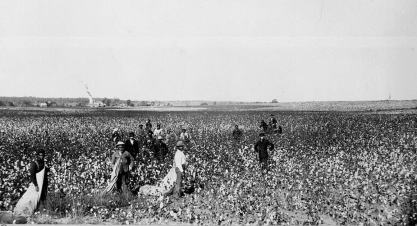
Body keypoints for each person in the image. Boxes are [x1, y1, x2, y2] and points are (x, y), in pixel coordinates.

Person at [14, 149, 48, 217]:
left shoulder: (44, 163)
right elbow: (32, 176)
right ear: (37, 155)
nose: (41, 156)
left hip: (43, 185)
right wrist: (36, 185)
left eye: (43, 155)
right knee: (31, 198)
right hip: (36, 184)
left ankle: (40, 214)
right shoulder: (34, 164)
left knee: (41, 199)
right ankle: (24, 212)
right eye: (40, 155)